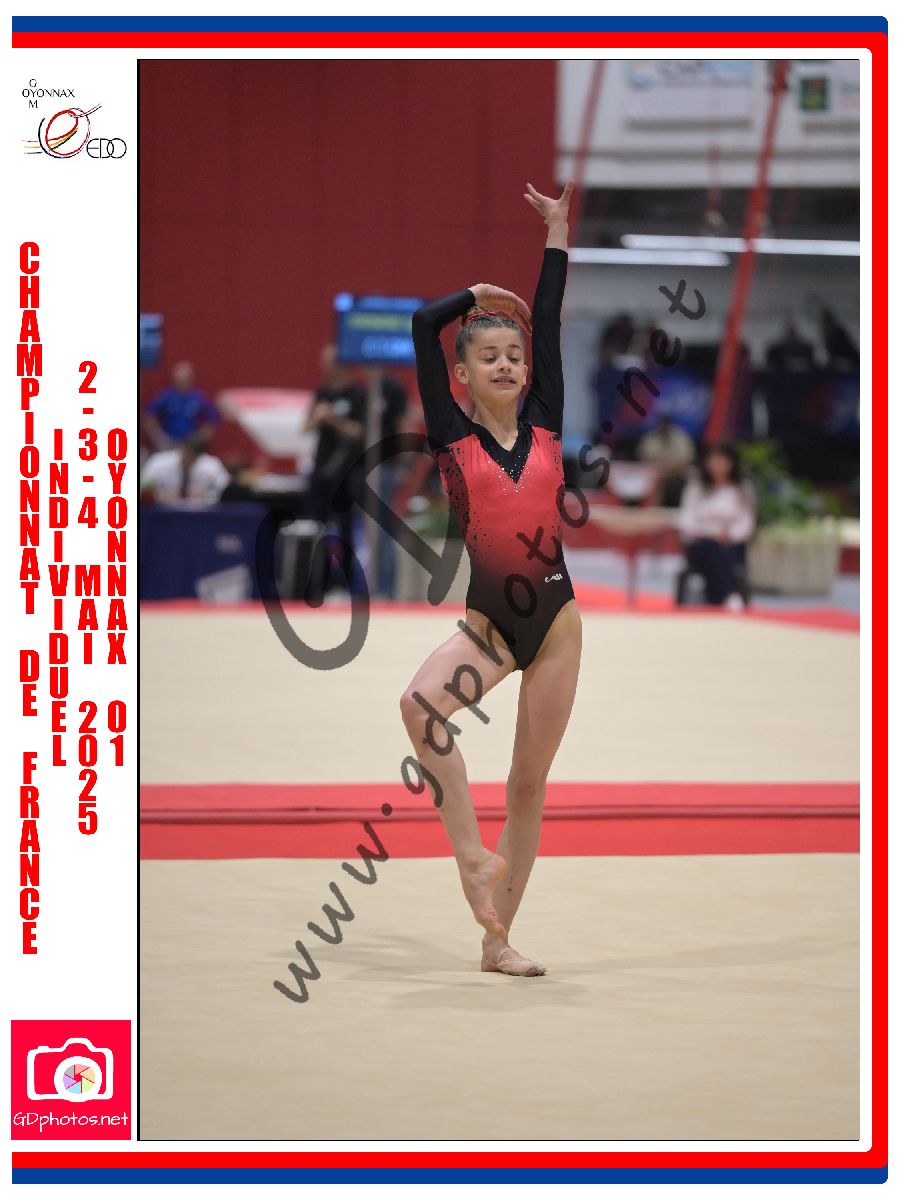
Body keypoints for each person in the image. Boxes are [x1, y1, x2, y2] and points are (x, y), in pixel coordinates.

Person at [402, 180, 581, 977]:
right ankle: (472, 856)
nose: (507, 364)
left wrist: (557, 232)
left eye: (514, 354)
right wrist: (474, 295)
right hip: (489, 627)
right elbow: (422, 325)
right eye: (489, 356)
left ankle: (497, 940)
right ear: (462, 376)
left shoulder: (546, 419)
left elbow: (550, 315)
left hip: (556, 625)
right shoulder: (451, 438)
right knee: (419, 707)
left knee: (528, 785)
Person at [302, 344, 367, 596]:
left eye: (330, 363)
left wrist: (333, 419)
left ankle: (347, 584)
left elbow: (359, 432)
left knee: (346, 529)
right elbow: (306, 428)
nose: (326, 368)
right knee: (316, 527)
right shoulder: (322, 393)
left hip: (347, 472)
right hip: (321, 471)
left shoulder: (357, 395)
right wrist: (316, 418)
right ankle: (317, 583)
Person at [679, 442, 755, 609]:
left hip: (730, 544)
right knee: (710, 547)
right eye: (714, 459)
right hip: (701, 541)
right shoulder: (696, 486)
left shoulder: (741, 488)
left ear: (731, 462)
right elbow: (687, 519)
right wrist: (710, 533)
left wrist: (730, 535)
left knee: (721, 551)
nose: (717, 464)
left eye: (722, 460)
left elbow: (746, 521)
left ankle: (718, 597)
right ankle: (727, 595)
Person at [144, 361, 220, 449]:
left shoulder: (199, 398)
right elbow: (148, 415)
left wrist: (198, 439)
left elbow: (213, 420)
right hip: (168, 444)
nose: (182, 383)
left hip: (190, 446)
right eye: (179, 380)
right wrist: (159, 437)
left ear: (190, 379)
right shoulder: (165, 396)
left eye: (185, 380)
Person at [140, 434, 231, 503]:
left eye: (192, 456)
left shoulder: (212, 465)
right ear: (182, 449)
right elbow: (143, 486)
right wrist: (159, 496)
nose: (188, 459)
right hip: (161, 514)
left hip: (200, 515)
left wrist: (207, 497)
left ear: (200, 456)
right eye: (186, 454)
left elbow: (226, 489)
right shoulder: (159, 462)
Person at [636, 416, 696, 506]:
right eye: (662, 426)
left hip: (676, 474)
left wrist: (669, 468)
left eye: (666, 426)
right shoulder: (651, 438)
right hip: (655, 475)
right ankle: (652, 508)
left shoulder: (681, 438)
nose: (664, 428)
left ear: (671, 426)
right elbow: (643, 457)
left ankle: (679, 505)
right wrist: (659, 469)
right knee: (653, 479)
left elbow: (687, 458)